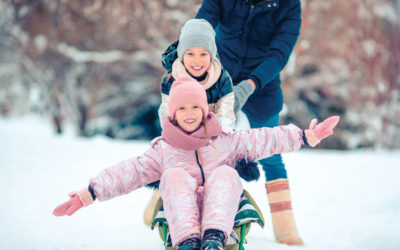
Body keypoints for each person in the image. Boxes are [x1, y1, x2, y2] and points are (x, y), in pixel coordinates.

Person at [53, 76, 339, 250]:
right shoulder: (163, 150)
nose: (189, 113)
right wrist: (89, 193)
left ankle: (214, 239)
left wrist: (304, 135)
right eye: (182, 108)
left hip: (222, 215)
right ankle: (189, 243)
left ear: (204, 111)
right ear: (172, 114)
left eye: (194, 107)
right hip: (182, 218)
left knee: (226, 173)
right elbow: (129, 171)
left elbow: (264, 139)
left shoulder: (225, 140)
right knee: (173, 176)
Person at [196, 0, 305, 245]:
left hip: (262, 84)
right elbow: (203, 24)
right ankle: (166, 204)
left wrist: (249, 85)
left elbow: (279, 53)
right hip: (218, 75)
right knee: (196, 145)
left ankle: (286, 229)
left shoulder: (289, 5)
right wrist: (193, 60)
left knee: (271, 153)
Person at [144, 18, 237, 226]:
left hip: (211, 129)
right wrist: (180, 137)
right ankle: (166, 198)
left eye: (203, 54)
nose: (197, 60)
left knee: (216, 168)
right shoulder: (171, 79)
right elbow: (169, 113)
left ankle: (219, 207)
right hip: (180, 131)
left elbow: (226, 108)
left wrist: (221, 130)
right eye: (191, 53)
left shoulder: (222, 78)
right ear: (182, 55)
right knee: (182, 170)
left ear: (211, 55)